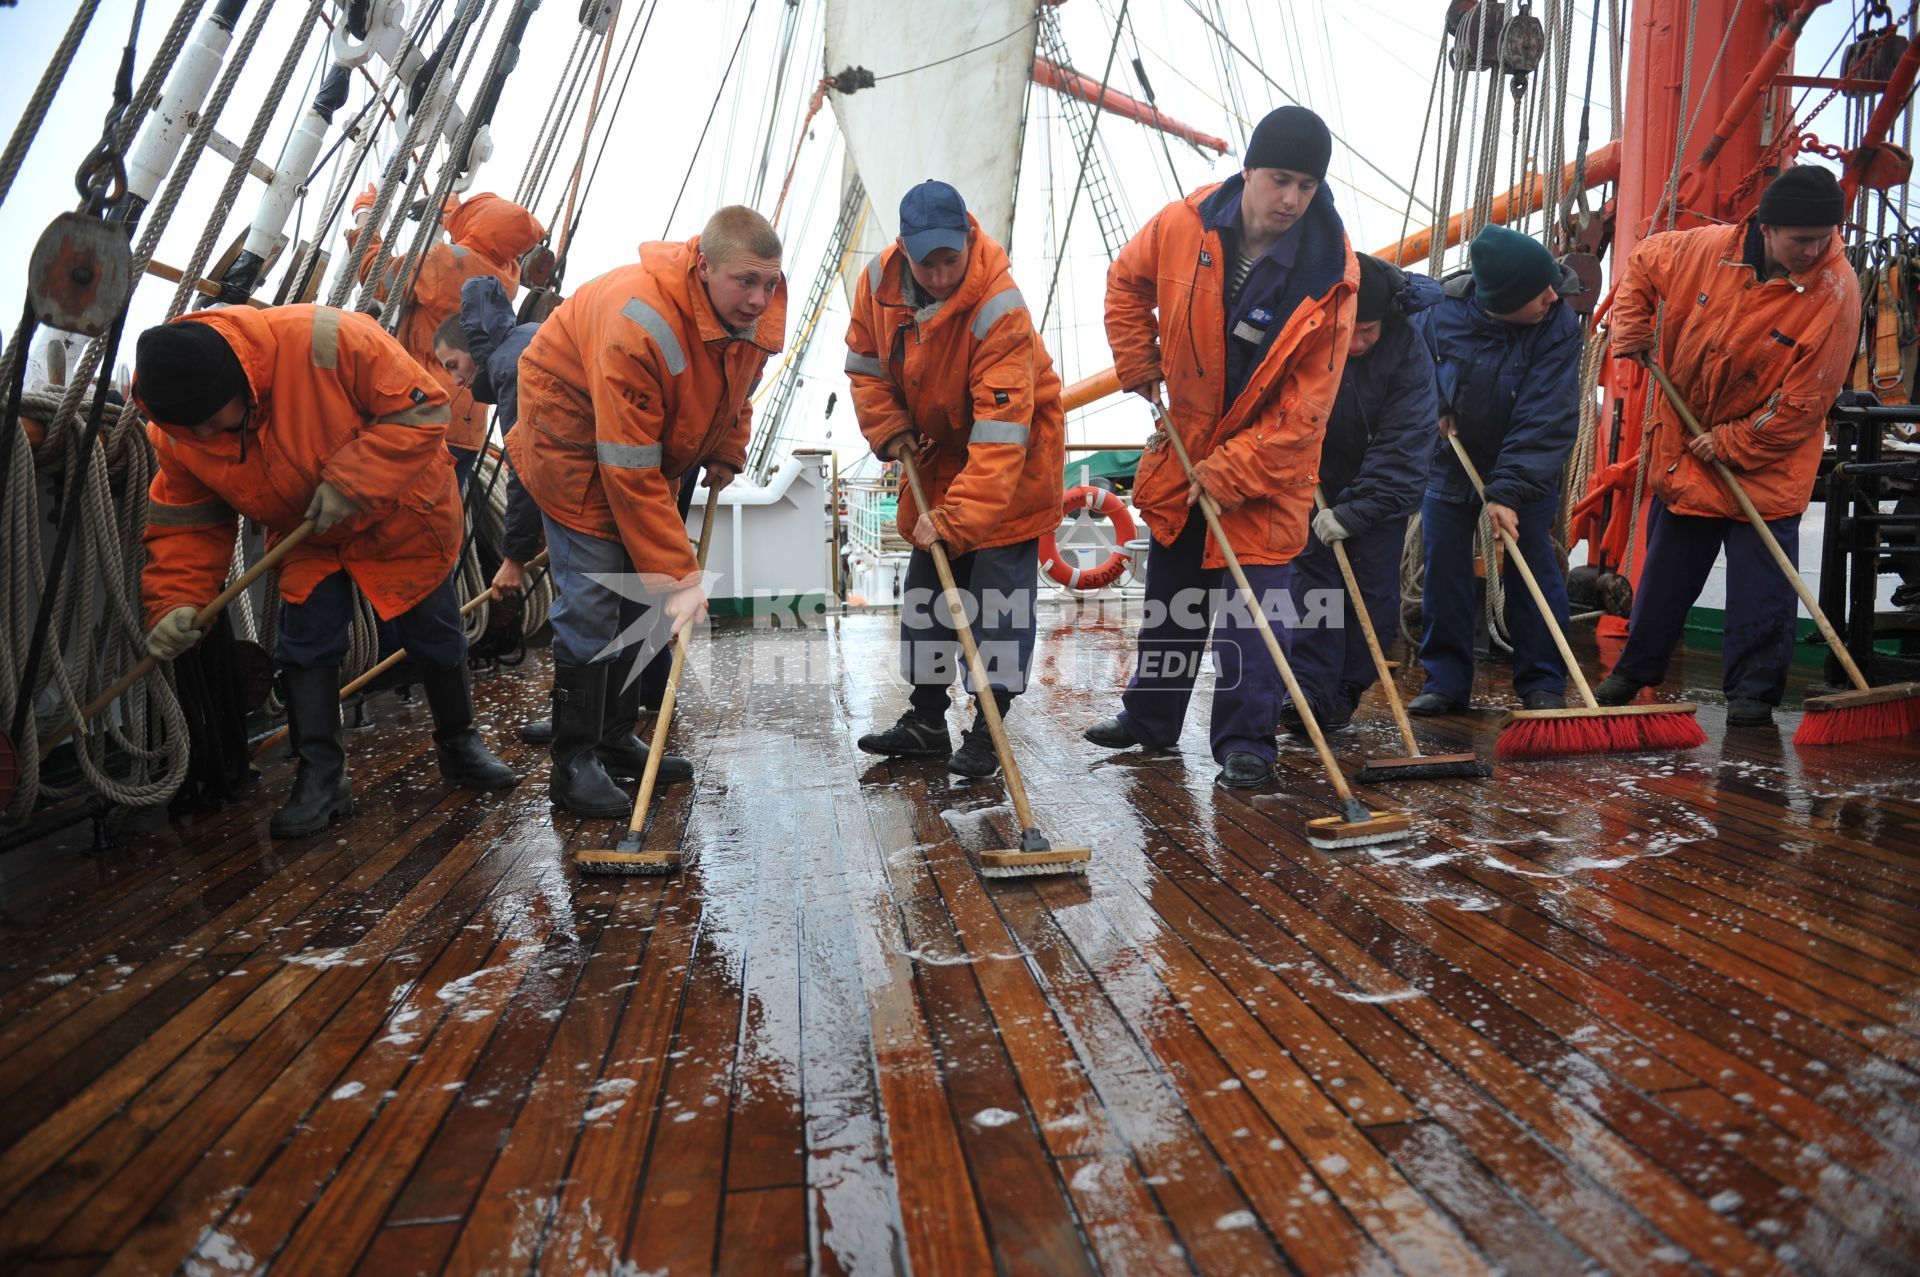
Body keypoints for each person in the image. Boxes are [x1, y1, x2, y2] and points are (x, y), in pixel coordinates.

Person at [136, 305, 521, 840]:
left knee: (433, 631)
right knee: (305, 643)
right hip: (305, 529)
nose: (206, 433)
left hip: (401, 509)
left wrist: (352, 482)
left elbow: (424, 411)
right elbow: (188, 524)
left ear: (241, 384)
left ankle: (459, 744)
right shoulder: (177, 432)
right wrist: (176, 602)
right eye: (192, 427)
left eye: (211, 419)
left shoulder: (327, 338)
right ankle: (321, 778)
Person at [1082, 104, 1359, 788]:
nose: (1292, 199)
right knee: (1171, 601)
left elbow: (1306, 413)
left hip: (1267, 474)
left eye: (1307, 186)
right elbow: (1125, 279)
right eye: (1281, 179)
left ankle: (1246, 746)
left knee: (1254, 620)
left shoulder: (1332, 275)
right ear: (1250, 171)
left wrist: (1227, 470)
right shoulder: (1185, 223)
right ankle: (1148, 719)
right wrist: (1137, 362)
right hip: (1184, 449)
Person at [509, 205, 785, 817]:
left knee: (646, 600)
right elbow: (626, 473)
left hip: (647, 445)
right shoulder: (641, 322)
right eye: (747, 282)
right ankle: (573, 763)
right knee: (594, 597)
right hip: (575, 442)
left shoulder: (748, 311)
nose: (760, 299)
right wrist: (683, 577)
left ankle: (613, 736)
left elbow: (737, 388)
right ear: (705, 264)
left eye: (769, 282)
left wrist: (727, 450)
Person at [1598, 165, 1862, 725]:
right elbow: (1642, 262)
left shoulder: (1835, 290)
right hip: (1688, 438)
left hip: (1767, 458)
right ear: (1766, 229)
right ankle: (1635, 670)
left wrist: (1734, 441)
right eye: (1799, 240)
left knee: (1763, 587)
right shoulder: (1704, 250)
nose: (1812, 251)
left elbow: (1807, 401)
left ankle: (1752, 696)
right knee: (1666, 571)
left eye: (1822, 239)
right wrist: (1633, 327)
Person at [846, 181, 1066, 777]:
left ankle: (988, 731)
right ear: (904, 251)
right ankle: (924, 719)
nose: (941, 276)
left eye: (952, 260)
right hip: (940, 459)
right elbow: (865, 367)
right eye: (928, 263)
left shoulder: (1001, 308)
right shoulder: (876, 286)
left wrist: (955, 521)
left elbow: (1000, 437)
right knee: (928, 596)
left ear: (970, 240)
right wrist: (890, 429)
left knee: (997, 605)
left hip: (1013, 468)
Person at [1405, 224, 1583, 716]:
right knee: (1443, 565)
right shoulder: (1437, 313)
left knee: (1533, 566)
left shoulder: (1558, 323)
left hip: (1526, 458)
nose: (1553, 294)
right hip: (1452, 457)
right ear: (1500, 301)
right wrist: (1435, 404)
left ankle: (1543, 681)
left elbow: (1546, 413)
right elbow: (1413, 366)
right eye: (1537, 291)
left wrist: (1508, 489)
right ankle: (1445, 682)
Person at [1280, 253, 1435, 732]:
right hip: (1312, 480)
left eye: (1371, 330)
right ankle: (1308, 695)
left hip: (1378, 491)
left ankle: (1345, 690)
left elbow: (1405, 442)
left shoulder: (1408, 351)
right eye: (1354, 330)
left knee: (1370, 597)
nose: (1362, 341)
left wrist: (1357, 511)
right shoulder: (1310, 337)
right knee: (1312, 589)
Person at [348, 185, 545, 486]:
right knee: (439, 515)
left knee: (392, 515)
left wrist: (365, 216)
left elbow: (376, 274)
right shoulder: (508, 274)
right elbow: (487, 237)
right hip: (468, 429)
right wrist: (452, 210)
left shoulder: (443, 261)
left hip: (423, 416)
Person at [432, 274, 551, 742]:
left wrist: (513, 560)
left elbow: (525, 469)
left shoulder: (508, 365)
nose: (457, 379)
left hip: (594, 490)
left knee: (587, 609)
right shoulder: (525, 340)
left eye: (454, 364)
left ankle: (583, 733)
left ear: (472, 347)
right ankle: (621, 715)